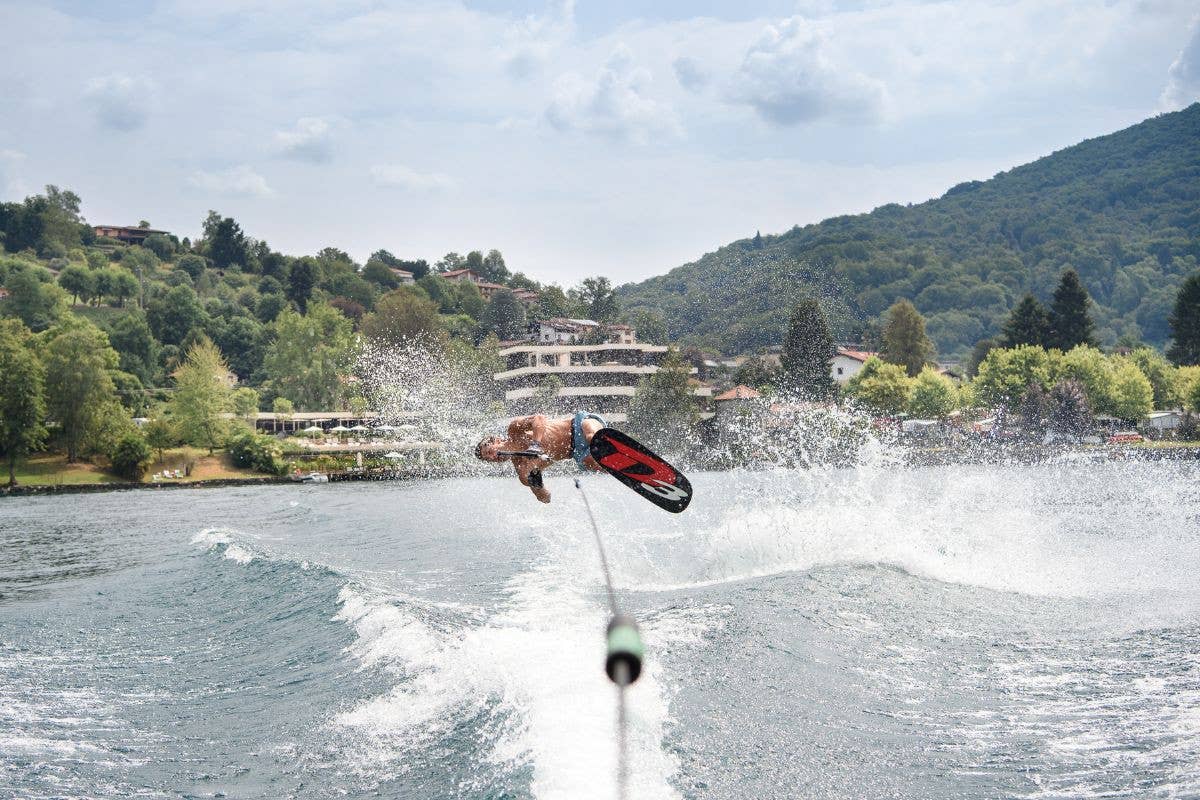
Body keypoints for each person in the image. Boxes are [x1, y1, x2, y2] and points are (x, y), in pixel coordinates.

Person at [475, 411, 607, 503]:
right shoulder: (522, 470)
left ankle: (606, 444)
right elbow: (545, 498)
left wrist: (535, 444)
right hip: (578, 452)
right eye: (489, 460)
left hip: (579, 426)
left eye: (489, 452)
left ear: (497, 441)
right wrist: (536, 482)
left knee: (591, 438)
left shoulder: (514, 430)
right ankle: (621, 466)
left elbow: (539, 418)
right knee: (591, 463)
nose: (492, 458)